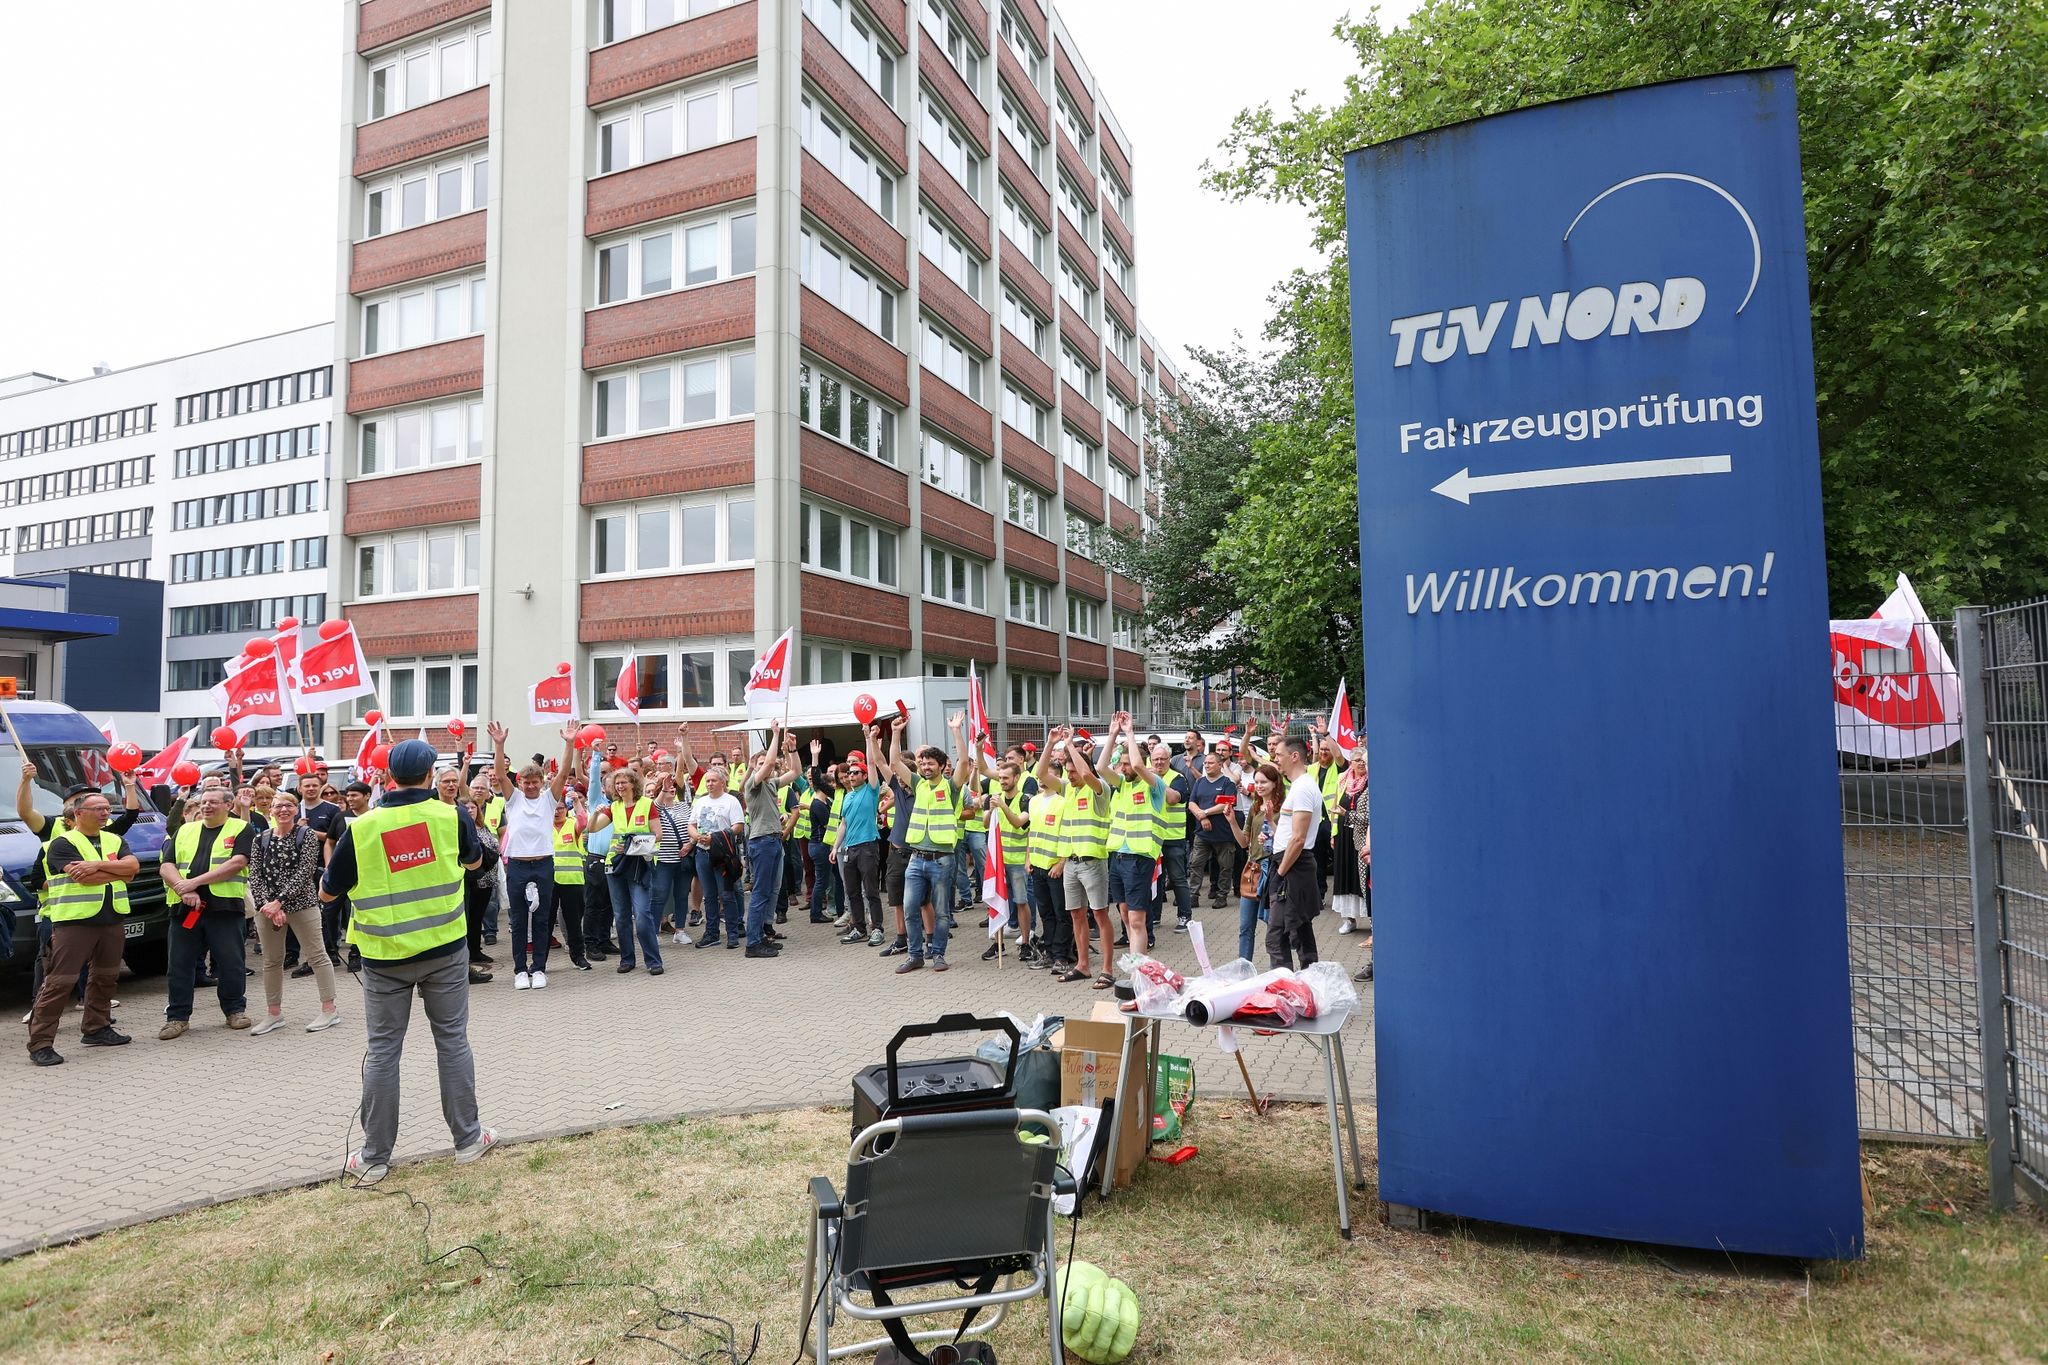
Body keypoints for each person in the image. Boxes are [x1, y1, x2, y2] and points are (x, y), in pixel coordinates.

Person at [322, 738, 496, 1184]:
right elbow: (476, 864)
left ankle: (375, 1157)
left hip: (384, 958)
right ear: (429, 775)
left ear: (387, 777)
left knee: (383, 1053)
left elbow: (327, 893)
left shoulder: (360, 828)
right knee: (453, 1042)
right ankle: (469, 1141)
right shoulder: (451, 815)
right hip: (445, 950)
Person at [24, 789, 139, 1066]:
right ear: (78, 814)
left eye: (107, 809)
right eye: (98, 808)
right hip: (75, 921)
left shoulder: (114, 838)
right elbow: (84, 880)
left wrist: (98, 865)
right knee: (59, 982)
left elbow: (133, 869)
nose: (105, 813)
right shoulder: (61, 843)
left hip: (111, 919)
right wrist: (116, 869)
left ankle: (97, 1029)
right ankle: (40, 1043)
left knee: (106, 976)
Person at [159, 787, 256, 1040]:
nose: (206, 807)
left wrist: (194, 883)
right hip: (185, 909)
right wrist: (183, 889)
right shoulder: (184, 830)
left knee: (231, 962)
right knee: (179, 964)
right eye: (203, 802)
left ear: (227, 805)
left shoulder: (241, 829)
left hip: (224, 908)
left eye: (213, 802)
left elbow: (237, 863)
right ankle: (177, 1017)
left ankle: (235, 1010)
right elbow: (167, 865)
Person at [488, 721, 577, 990]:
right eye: (526, 782)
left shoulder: (549, 800)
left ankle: (539, 968)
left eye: (535, 782)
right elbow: (501, 776)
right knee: (518, 918)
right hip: (517, 865)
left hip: (543, 865)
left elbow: (562, 774)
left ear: (541, 782)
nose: (530, 786)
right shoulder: (513, 799)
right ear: (520, 782)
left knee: (541, 919)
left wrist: (569, 743)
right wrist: (500, 744)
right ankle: (519, 970)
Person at [248, 793, 340, 1035]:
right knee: (271, 961)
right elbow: (255, 875)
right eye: (278, 806)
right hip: (267, 909)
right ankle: (273, 1014)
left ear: (296, 810)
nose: (283, 810)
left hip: (302, 904)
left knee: (317, 955)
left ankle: (329, 1009)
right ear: (271, 811)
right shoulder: (260, 839)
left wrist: (280, 902)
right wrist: (267, 904)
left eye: (288, 805)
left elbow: (305, 871)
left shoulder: (306, 835)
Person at [887, 713, 972, 974]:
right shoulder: (917, 784)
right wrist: (896, 732)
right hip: (916, 859)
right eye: (922, 763)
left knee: (942, 912)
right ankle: (915, 956)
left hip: (942, 859)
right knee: (911, 908)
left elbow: (965, 763)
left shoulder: (951, 786)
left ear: (941, 765)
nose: (925, 767)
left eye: (930, 763)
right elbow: (893, 762)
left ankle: (938, 954)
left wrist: (956, 731)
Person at [1041, 727, 1112, 987]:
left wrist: (1071, 745)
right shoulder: (1067, 789)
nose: (1069, 776)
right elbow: (1040, 774)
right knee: (1076, 915)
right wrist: (1050, 745)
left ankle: (1106, 969)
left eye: (1072, 771)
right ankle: (1083, 966)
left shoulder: (1099, 788)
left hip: (1093, 863)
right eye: (1067, 771)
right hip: (1071, 863)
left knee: (1100, 915)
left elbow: (1084, 772)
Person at [1101, 713, 1164, 963]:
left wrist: (1129, 733)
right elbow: (1100, 767)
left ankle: (1141, 971)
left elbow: (1139, 766)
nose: (1124, 768)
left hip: (1139, 857)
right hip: (1118, 856)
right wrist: (1112, 735)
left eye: (1127, 764)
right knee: (1126, 915)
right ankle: (1135, 962)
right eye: (1122, 764)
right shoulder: (1122, 784)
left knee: (1137, 919)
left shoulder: (1153, 784)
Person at [588, 766, 660, 974]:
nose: (619, 786)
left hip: (639, 865)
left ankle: (653, 960)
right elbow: (592, 829)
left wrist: (632, 844)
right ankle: (627, 959)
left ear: (633, 784)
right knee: (620, 915)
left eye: (623, 782)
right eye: (616, 783)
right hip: (616, 865)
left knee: (643, 914)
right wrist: (594, 814)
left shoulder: (647, 805)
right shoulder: (614, 807)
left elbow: (658, 834)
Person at [740, 720, 795, 958]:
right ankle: (753, 943)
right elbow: (771, 761)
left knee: (770, 891)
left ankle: (762, 936)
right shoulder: (752, 785)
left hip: (773, 841)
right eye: (759, 763)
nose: (766, 766)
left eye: (766, 764)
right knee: (760, 893)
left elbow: (795, 772)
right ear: (753, 767)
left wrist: (791, 750)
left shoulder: (771, 784)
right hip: (762, 842)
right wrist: (775, 735)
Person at [1271, 735, 1324, 969]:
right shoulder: (1300, 786)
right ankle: (1308, 981)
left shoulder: (1303, 788)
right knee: (1299, 930)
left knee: (1277, 936)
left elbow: (1299, 837)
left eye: (1279, 755)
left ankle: (1284, 987)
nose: (1275, 759)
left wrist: (1280, 873)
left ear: (1294, 756)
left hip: (1293, 866)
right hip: (1291, 864)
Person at [979, 757, 1034, 962]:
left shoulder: (1025, 799)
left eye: (1006, 778)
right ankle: (997, 942)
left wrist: (1002, 806)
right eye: (1000, 777)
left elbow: (1019, 823)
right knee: (996, 900)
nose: (1002, 781)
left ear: (1017, 778)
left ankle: (1026, 942)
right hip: (998, 861)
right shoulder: (993, 798)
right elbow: (986, 824)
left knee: (1021, 901)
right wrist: (992, 808)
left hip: (1018, 860)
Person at [688, 763, 746, 953]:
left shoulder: (731, 801)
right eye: (707, 781)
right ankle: (711, 934)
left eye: (713, 780)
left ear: (723, 782)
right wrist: (696, 836)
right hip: (702, 853)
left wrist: (717, 836)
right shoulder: (701, 802)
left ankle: (732, 934)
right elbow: (692, 824)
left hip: (723, 854)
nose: (709, 784)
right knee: (709, 895)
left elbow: (738, 826)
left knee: (726, 894)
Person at [832, 732, 884, 946]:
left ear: (864, 776)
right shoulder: (848, 796)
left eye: (856, 773)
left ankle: (877, 929)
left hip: (868, 847)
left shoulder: (871, 791)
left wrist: (867, 738)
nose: (851, 776)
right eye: (850, 774)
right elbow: (843, 823)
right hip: (849, 849)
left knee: (870, 891)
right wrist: (835, 847)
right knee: (852, 892)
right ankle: (859, 928)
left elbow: (871, 763)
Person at [1228, 762, 1283, 963]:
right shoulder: (1255, 806)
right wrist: (1232, 821)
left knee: (1272, 925)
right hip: (1253, 868)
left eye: (1264, 782)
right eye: (1256, 782)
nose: (1259, 786)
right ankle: (1243, 970)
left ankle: (1275, 970)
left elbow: (1286, 841)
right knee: (1245, 927)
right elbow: (1244, 842)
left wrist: (1270, 820)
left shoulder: (1284, 807)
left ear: (1275, 783)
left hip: (1273, 869)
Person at [1026, 759, 1068, 972]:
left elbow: (1067, 833)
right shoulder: (1034, 801)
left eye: (1046, 775)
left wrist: (1062, 862)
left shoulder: (1063, 802)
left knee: (1061, 913)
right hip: (1038, 866)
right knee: (1046, 913)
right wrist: (1028, 859)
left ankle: (1062, 955)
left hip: (1056, 867)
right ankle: (1049, 952)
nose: (1041, 780)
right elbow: (1032, 833)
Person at [1149, 742, 1193, 934]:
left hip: (1173, 838)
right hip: (1153, 839)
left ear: (1169, 760)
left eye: (1162, 759)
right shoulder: (1147, 777)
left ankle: (1185, 916)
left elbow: (1173, 798)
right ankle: (1155, 916)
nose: (1159, 762)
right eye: (1155, 759)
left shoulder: (1178, 778)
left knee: (1178, 879)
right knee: (1155, 880)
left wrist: (1155, 780)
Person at [1188, 745, 1238, 911]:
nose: (1207, 765)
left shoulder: (1227, 783)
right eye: (1205, 763)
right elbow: (1192, 802)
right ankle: (1193, 895)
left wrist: (1205, 812)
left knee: (1225, 866)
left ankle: (1221, 895)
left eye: (1210, 763)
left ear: (1219, 765)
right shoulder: (1200, 782)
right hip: (1202, 832)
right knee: (1196, 863)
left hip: (1223, 834)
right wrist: (1202, 816)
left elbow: (1227, 802)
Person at [551, 795, 592, 972]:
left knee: (573, 922)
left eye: (560, 808)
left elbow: (583, 822)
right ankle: (540, 962)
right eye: (553, 808)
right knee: (545, 923)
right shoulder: (543, 825)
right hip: (549, 882)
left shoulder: (572, 823)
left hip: (572, 881)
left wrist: (577, 803)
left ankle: (578, 957)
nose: (556, 812)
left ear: (566, 809)